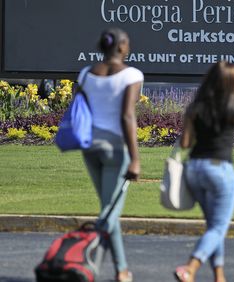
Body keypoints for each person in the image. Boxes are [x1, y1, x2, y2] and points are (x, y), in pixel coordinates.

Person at [175, 61, 234, 282]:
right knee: (219, 227)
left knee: (214, 226)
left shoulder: (195, 108)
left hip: (194, 169)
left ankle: (219, 276)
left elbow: (185, 143)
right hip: (219, 169)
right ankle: (190, 268)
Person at [78, 28, 143, 282]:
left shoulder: (85, 74)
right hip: (116, 148)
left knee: (108, 207)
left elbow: (80, 111)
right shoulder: (132, 75)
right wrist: (135, 158)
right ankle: (81, 258)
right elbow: (128, 115)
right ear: (122, 47)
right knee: (109, 213)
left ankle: (122, 270)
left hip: (90, 148)